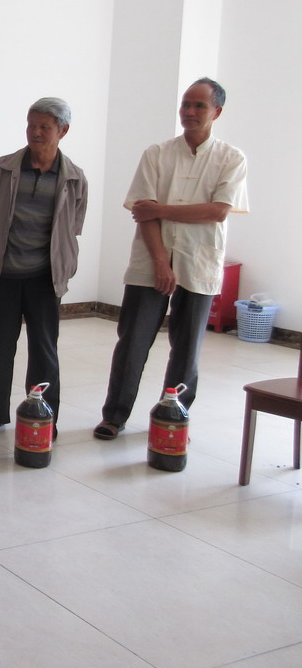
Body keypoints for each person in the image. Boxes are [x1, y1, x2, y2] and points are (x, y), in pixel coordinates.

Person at [96, 77, 249, 439]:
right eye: (185, 104)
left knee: (186, 350)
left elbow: (217, 211)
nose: (189, 112)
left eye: (199, 105)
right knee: (132, 342)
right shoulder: (157, 154)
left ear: (217, 112)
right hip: (150, 262)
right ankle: (114, 416)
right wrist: (161, 262)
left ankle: (172, 418)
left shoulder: (231, 158)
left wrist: (161, 210)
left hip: (199, 263)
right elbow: (142, 213)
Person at [0, 97, 88, 436]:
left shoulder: (75, 178)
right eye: (31, 125)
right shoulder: (1, 169)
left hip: (45, 279)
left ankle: (43, 416)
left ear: (62, 131)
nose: (35, 133)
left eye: (44, 128)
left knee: (44, 352)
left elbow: (72, 227)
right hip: (3, 276)